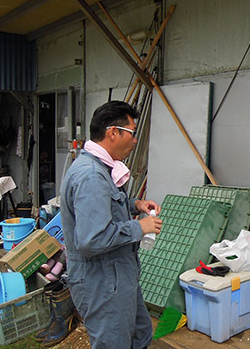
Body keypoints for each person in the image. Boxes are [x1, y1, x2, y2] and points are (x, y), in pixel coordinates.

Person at [60, 101, 162, 349]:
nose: (135, 140)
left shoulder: (100, 169)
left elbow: (102, 208)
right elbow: (92, 239)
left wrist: (133, 205)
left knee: (139, 335)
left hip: (118, 276)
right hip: (102, 282)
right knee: (113, 343)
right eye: (132, 132)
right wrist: (140, 228)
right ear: (113, 132)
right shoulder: (90, 176)